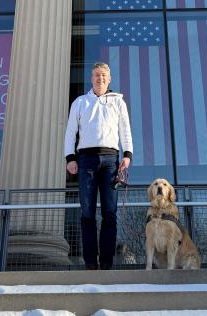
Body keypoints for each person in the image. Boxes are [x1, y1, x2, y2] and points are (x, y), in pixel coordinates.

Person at [64, 62, 133, 270]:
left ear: (109, 79)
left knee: (110, 213)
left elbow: (125, 130)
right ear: (91, 78)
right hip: (86, 161)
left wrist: (127, 154)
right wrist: (70, 158)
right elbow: (70, 132)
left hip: (111, 161)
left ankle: (106, 262)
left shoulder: (118, 102)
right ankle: (91, 262)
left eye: (104, 75)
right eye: (96, 75)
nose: (100, 78)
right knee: (87, 213)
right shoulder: (80, 102)